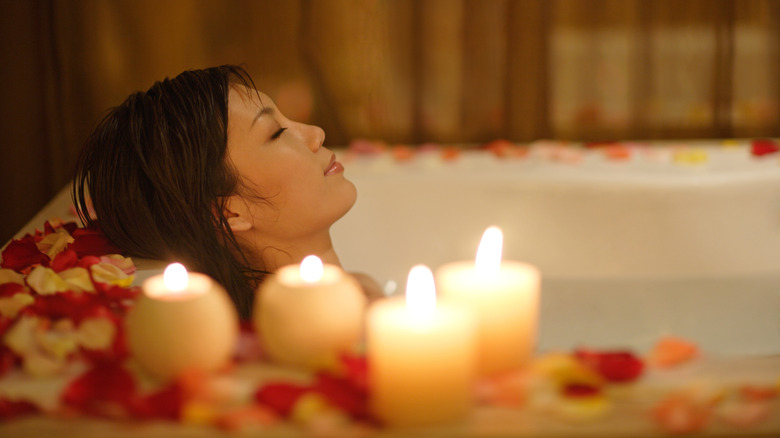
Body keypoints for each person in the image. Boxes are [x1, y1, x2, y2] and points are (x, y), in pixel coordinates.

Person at [73, 65, 381, 319]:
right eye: (276, 133)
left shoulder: (358, 296)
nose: (316, 134)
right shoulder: (298, 336)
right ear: (229, 212)